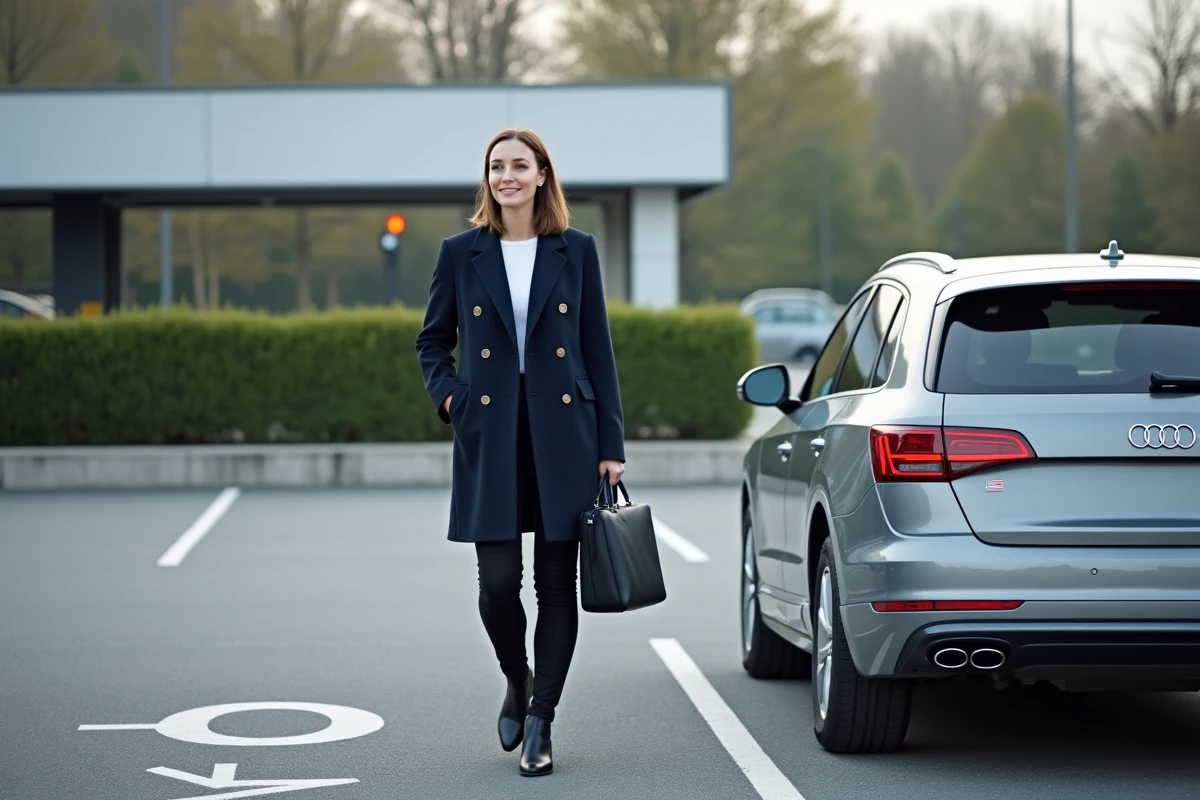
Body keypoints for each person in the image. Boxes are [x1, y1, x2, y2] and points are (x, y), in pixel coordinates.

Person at [415, 127, 626, 777]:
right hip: (491, 429)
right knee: (499, 581)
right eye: (496, 166)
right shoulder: (461, 252)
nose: (507, 175)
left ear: (542, 176)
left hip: (566, 432)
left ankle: (542, 723)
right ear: (489, 179)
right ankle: (518, 676)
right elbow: (432, 343)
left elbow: (598, 351)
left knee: (555, 583)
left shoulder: (576, 250)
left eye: (519, 165)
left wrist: (611, 445)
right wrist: (453, 400)